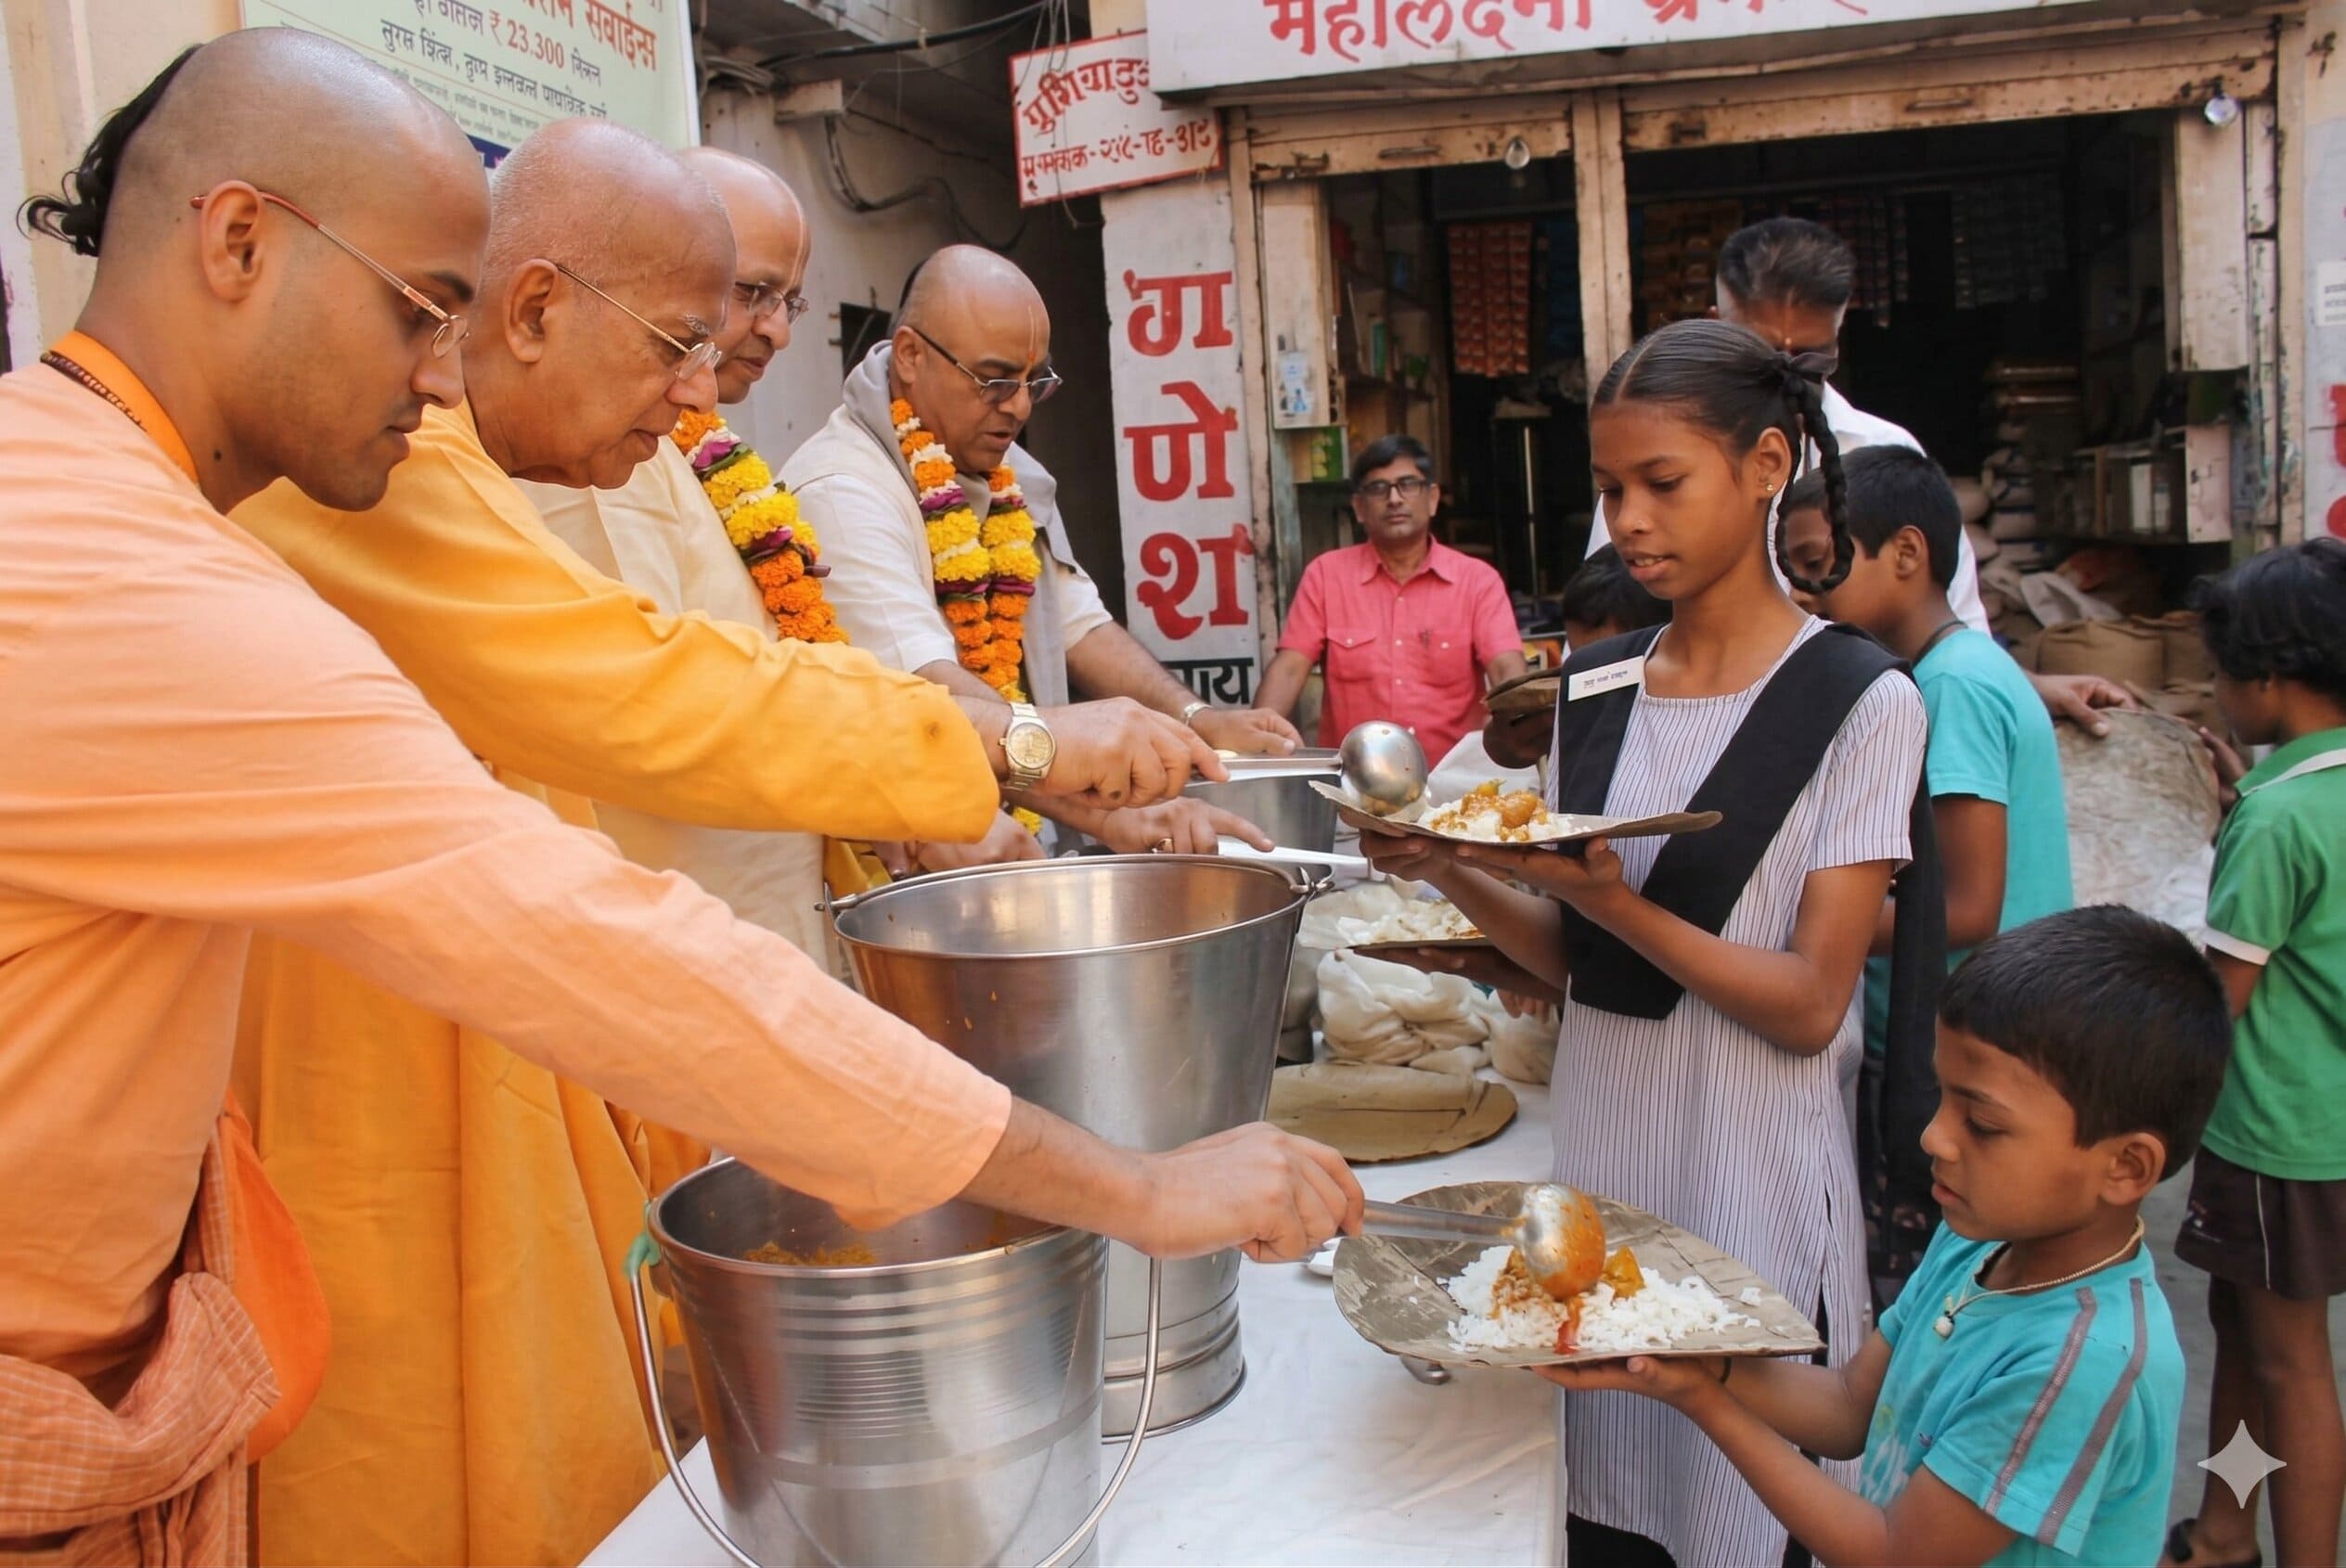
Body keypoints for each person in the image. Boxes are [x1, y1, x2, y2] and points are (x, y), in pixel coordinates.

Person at [0, 52, 1362, 1568]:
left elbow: (701, 679)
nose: (446, 376)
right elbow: (602, 878)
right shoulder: (135, 585)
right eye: (420, 311)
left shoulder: (109, 499)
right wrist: (1126, 1184)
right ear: (238, 242)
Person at [1362, 317, 1930, 1565]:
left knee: (1743, 1516)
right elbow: (1593, 975)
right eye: (1611, 488)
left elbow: (1807, 1001)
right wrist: (1446, 857)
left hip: (1758, 1200)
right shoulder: (1598, 685)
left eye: (1661, 483)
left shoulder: (1861, 699)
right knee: (1611, 1513)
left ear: (1768, 465)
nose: (1627, 518)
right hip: (1610, 1191)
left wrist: (1615, 897)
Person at [1547, 906, 2232, 1568]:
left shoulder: (2078, 1361)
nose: (1935, 1136)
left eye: (1984, 1124)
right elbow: (1851, 1407)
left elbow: (1891, 1553)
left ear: (2127, 1166)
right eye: (1944, 1096)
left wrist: (1699, 1401)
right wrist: (1702, 1363)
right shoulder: (1981, 1244)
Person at [521, 148, 1037, 971]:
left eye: (788, 300)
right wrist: (970, 773)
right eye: (750, 294)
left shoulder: (689, 451)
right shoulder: (593, 454)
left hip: (757, 932)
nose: (781, 330)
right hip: (673, 947)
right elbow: (661, 708)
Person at [783, 244, 1300, 855]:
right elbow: (932, 701)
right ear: (912, 356)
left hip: (1014, 829)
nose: (1020, 407)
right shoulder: (845, 490)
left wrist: (1195, 718)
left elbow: (1077, 623)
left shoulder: (1005, 473)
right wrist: (1104, 814)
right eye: (996, 380)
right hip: (903, 865)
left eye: (1036, 382)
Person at [1586, 216, 2132, 737]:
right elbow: (1609, 626)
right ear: (1717, 327)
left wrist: (2019, 687)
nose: (1788, 375)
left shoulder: (1886, 453)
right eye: (1766, 353)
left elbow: (1951, 629)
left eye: (1811, 355)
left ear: (1840, 338)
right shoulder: (1647, 479)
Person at [1783, 447, 2074, 1298]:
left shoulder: (1952, 686)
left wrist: (1808, 940)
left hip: (1964, 1035)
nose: (1807, 593)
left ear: (1906, 554)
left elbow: (1970, 905)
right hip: (1950, 1025)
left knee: (1942, 1280)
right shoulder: (1929, 677)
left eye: (1817, 565)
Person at [2159, 538, 2346, 1568]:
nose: (2218, 692)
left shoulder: (2273, 817)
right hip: (2327, 1120)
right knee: (2240, 1323)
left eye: (2222, 672)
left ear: (2266, 679)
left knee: (2290, 1365)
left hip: (2274, 1134)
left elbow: (2216, 998)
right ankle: (2225, 1527)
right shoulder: (2305, 793)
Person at [1257, 434, 1528, 765]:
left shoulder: (1477, 581)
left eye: (1407, 485)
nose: (1395, 499)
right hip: (1353, 783)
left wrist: (1526, 742)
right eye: (1379, 488)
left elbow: (1506, 670)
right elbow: (1289, 669)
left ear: (1432, 498)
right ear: (1359, 507)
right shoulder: (1326, 576)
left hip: (1453, 785)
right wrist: (1254, 743)